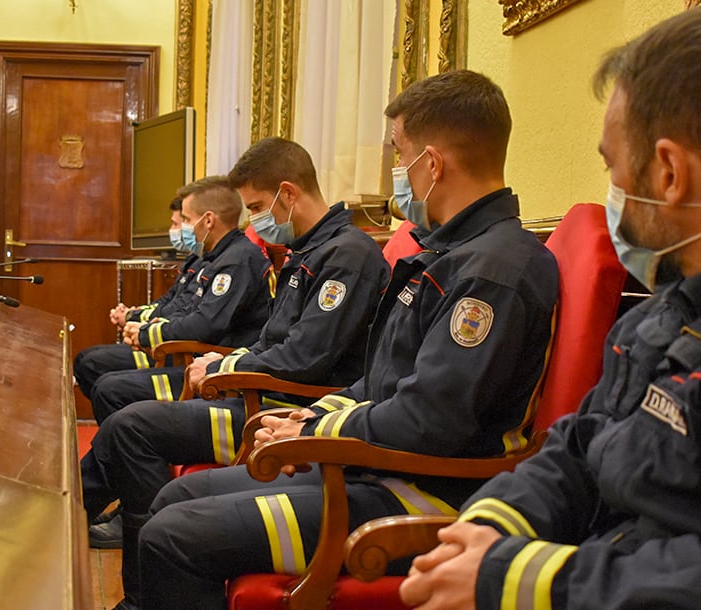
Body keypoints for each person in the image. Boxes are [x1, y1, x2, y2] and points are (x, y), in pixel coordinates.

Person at [398, 5, 701, 609]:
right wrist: (489, 528)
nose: (610, 194)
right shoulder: (678, 298)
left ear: (667, 173)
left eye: (611, 166)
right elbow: (579, 449)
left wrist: (511, 577)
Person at [135, 69, 559, 610]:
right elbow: (380, 381)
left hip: (422, 494)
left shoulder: (495, 269)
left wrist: (318, 427)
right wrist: (309, 422)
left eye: (399, 155)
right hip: (371, 463)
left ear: (432, 162)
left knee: (174, 537)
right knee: (176, 496)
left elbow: (430, 420)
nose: (397, 172)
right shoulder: (446, 253)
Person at [81, 137, 391, 609]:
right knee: (128, 420)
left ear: (288, 194)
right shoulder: (308, 251)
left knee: (132, 427)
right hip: (264, 395)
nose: (255, 222)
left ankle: (128, 583)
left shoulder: (348, 254)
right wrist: (230, 363)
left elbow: (307, 358)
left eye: (259, 207)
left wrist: (228, 365)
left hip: (282, 405)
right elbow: (272, 341)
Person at [86, 175, 273, 423]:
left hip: (215, 374)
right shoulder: (213, 256)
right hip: (196, 359)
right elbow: (183, 308)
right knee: (104, 383)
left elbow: (205, 325)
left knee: (109, 389)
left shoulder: (238, 260)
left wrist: (146, 334)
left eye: (185, 220)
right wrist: (145, 325)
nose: (182, 227)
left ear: (208, 220)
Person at [73, 195, 202, 400]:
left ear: (208, 220)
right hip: (168, 342)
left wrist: (139, 325)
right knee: (84, 360)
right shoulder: (197, 258)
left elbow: (196, 318)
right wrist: (135, 315)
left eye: (182, 221)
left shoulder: (229, 263)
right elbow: (170, 301)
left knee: (99, 374)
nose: (178, 229)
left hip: (181, 353)